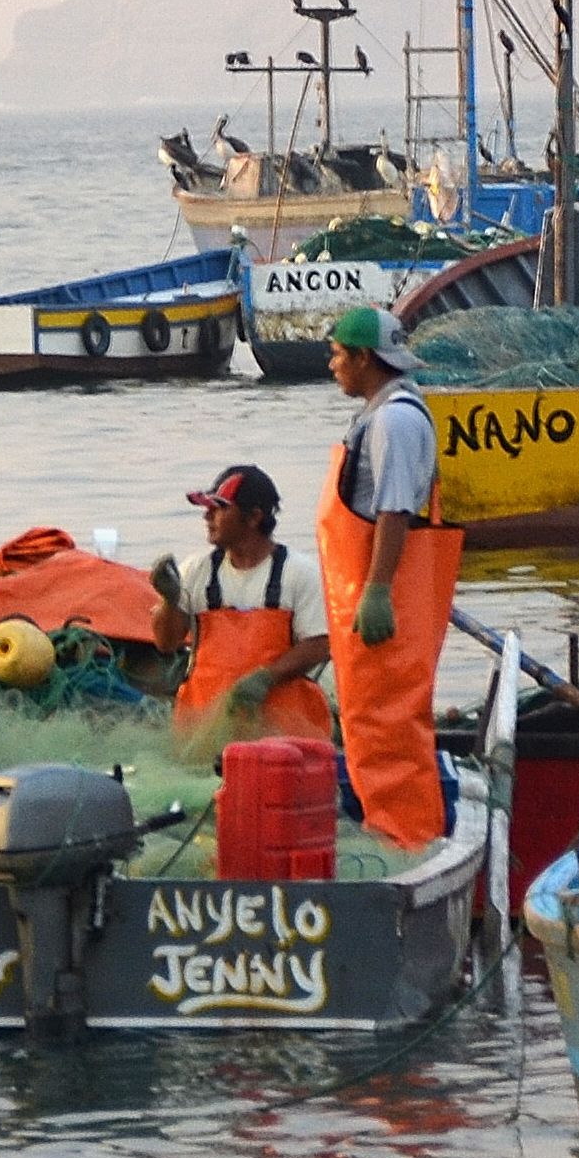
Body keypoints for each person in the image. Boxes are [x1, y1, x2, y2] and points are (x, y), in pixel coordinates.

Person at [319, 307, 458, 845]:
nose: (332, 365)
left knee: (389, 727)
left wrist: (377, 589)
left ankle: (408, 840)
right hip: (362, 601)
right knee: (369, 725)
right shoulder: (381, 414)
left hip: (384, 601)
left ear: (364, 358)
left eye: (337, 354)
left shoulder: (395, 420)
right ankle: (391, 828)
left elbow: (395, 511)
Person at [160, 461, 331, 751]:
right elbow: (166, 643)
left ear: (254, 517)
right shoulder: (196, 571)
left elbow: (321, 644)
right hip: (200, 737)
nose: (207, 516)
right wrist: (169, 599)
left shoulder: (298, 572)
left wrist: (266, 678)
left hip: (284, 742)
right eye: (207, 508)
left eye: (219, 508)